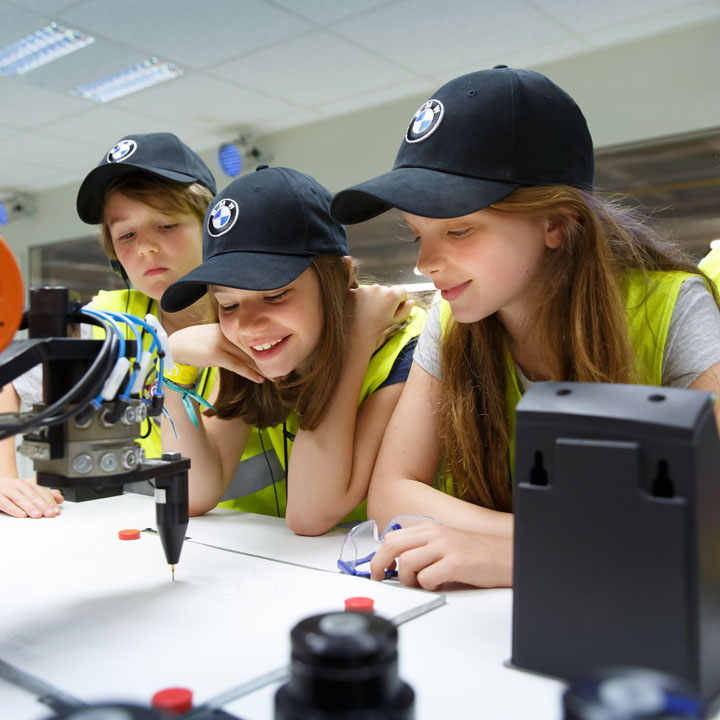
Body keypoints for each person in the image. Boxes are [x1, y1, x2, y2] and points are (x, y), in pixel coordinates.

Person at [329, 65, 720, 590]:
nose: (425, 262)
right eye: (417, 233)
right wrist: (546, 542)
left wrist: (529, 553)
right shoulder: (450, 321)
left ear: (557, 223)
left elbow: (711, 526)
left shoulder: (672, 310)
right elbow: (393, 494)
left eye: (459, 229)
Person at [159, 165, 425, 535]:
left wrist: (356, 340)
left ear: (342, 277)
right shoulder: (256, 355)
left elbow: (310, 513)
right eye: (229, 305)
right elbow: (191, 493)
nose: (249, 326)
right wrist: (173, 367)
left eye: (275, 294)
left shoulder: (407, 352)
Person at [0, 132, 218, 518]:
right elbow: (7, 378)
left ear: (212, 228)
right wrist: (5, 478)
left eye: (166, 225)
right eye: (127, 235)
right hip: (131, 528)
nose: (146, 248)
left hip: (266, 543)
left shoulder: (255, 315)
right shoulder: (109, 320)